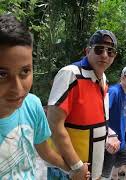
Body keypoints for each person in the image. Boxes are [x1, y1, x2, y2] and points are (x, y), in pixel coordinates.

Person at [0, 14, 72, 179]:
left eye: (25, 71)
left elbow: (44, 150)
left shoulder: (32, 104)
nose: (18, 89)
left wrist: (71, 168)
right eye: (2, 74)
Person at [47, 30, 121, 179]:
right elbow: (53, 125)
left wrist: (110, 135)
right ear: (88, 51)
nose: (105, 55)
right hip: (68, 171)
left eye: (110, 51)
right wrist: (76, 166)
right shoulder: (70, 74)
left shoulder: (103, 80)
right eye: (99, 49)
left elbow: (99, 120)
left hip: (93, 169)